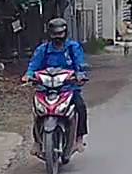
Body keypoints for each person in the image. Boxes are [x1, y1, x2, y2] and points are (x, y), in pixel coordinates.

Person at [22, 18, 89, 152]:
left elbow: (80, 63)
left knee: (80, 106)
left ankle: (79, 139)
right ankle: (37, 141)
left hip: (68, 87)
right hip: (46, 88)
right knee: (37, 110)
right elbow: (34, 64)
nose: (58, 37)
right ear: (50, 34)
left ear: (65, 33)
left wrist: (80, 74)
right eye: (55, 34)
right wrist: (28, 75)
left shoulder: (73, 47)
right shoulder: (43, 49)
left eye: (60, 34)